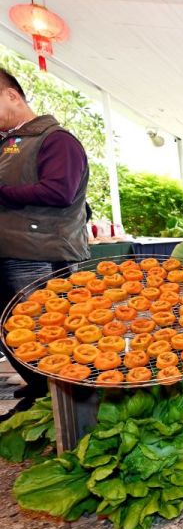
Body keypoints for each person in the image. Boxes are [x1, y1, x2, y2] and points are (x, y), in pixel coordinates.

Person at [0, 67, 90, 418]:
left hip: (41, 256)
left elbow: (60, 190)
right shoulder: (10, 143)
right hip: (11, 254)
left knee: (49, 334)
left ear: (12, 96)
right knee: (13, 332)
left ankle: (66, 411)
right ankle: (41, 397)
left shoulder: (57, 140)